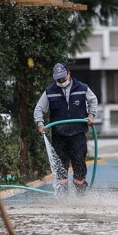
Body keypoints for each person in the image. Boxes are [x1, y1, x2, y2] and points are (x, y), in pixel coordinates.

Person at [34, 62, 98, 196]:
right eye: (58, 78)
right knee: (60, 168)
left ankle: (81, 196)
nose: (61, 80)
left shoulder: (82, 88)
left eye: (63, 77)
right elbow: (39, 109)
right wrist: (40, 123)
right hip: (59, 135)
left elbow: (93, 100)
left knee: (79, 164)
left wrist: (91, 116)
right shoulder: (49, 92)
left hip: (78, 133)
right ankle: (63, 199)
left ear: (69, 74)